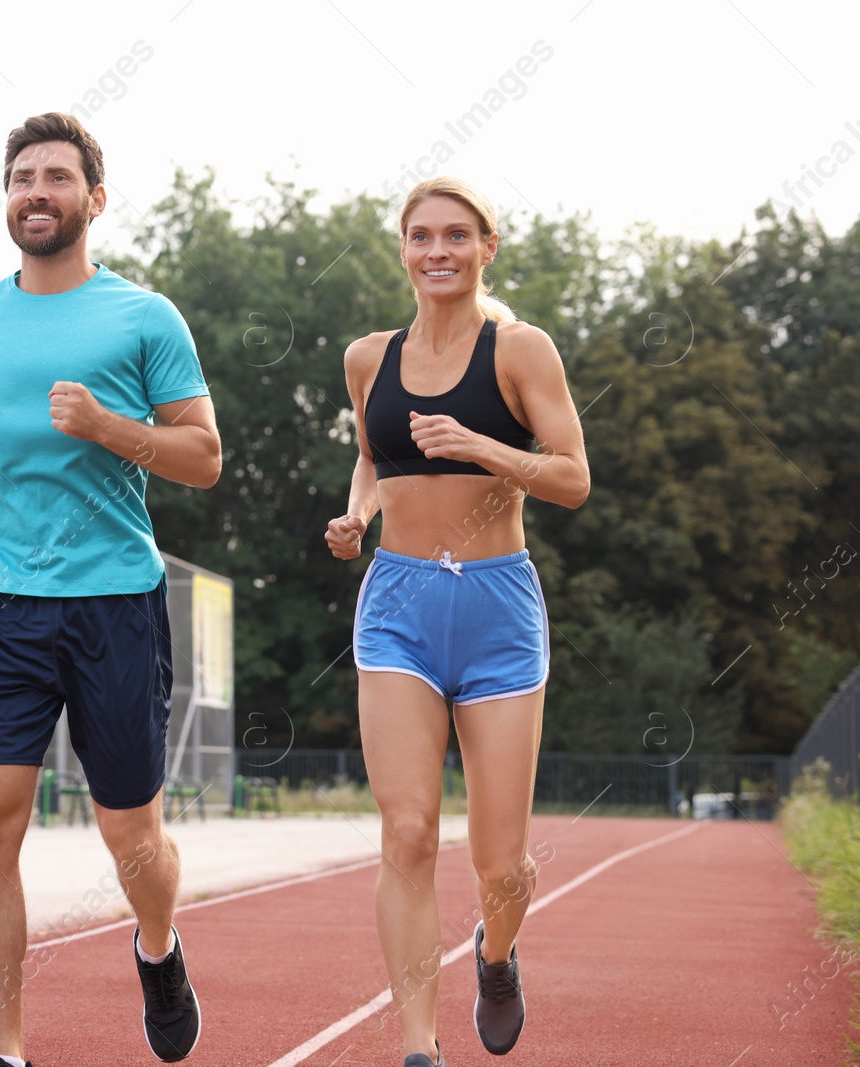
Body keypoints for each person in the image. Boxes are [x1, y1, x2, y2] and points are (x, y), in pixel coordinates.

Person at [0, 112, 221, 1067]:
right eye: (19, 177)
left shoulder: (144, 317)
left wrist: (106, 426)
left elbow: (204, 457)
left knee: (132, 836)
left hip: (114, 601)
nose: (34, 191)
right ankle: (4, 1050)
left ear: (95, 198)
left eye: (55, 176)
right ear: (6, 199)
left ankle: (158, 946)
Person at [325, 177, 590, 1067]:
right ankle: (416, 1047)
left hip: (496, 607)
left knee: (501, 863)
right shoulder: (368, 357)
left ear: (487, 246)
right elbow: (372, 459)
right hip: (397, 604)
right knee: (405, 832)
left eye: (455, 236)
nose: (437, 251)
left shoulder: (520, 351)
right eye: (420, 236)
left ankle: (498, 952)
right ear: (402, 250)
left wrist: (481, 444)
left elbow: (572, 477)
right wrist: (357, 517)